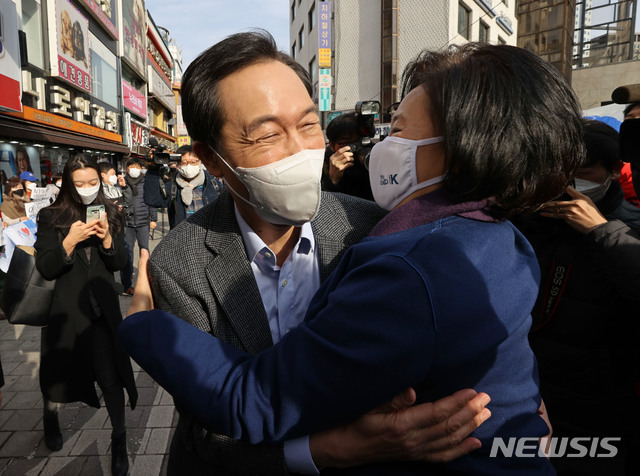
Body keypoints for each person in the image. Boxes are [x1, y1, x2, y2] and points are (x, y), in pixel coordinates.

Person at [120, 40, 586, 474]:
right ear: (210, 157)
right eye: (267, 136)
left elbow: (253, 397)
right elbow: (209, 435)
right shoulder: (178, 263)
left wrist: (139, 325)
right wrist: (334, 449)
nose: (302, 150)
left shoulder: (377, 232)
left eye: (308, 124)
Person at [515, 119, 640, 475]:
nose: (570, 187)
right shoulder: (532, 216)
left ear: (615, 171)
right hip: (534, 390)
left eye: (583, 173)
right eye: (560, 175)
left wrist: (600, 232)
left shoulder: (627, 226)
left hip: (599, 404)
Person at [34, 154, 137, 476]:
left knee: (111, 378)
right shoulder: (50, 216)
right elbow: (46, 267)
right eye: (79, 184)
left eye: (93, 183)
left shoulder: (111, 211)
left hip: (102, 311)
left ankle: (118, 438)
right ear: (67, 183)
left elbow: (119, 263)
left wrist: (107, 239)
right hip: (65, 310)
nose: (87, 189)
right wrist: (68, 242)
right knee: (58, 372)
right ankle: (50, 417)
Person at [144, 145, 223, 229]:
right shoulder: (172, 187)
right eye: (184, 162)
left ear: (200, 162)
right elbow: (152, 200)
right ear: (178, 164)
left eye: (193, 162)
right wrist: (153, 168)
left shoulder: (214, 185)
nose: (189, 166)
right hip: (183, 239)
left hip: (210, 237)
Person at [120, 158, 157, 295]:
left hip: (143, 222)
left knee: (144, 251)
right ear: (127, 169)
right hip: (127, 223)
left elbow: (151, 201)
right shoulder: (121, 183)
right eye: (131, 166)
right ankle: (126, 285)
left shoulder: (145, 181)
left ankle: (147, 280)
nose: (134, 169)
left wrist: (153, 218)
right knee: (127, 253)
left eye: (136, 166)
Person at [321, 112, 374, 200]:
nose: (356, 150)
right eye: (348, 145)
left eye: (360, 144)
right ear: (331, 145)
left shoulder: (373, 156)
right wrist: (332, 180)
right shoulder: (322, 166)